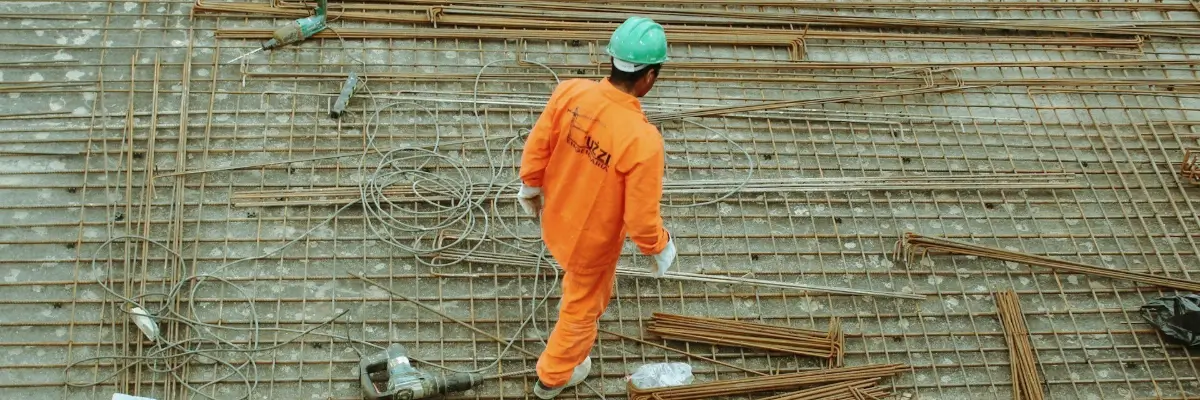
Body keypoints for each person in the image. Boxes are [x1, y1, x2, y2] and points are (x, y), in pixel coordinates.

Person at [515, 16, 677, 399]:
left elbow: (538, 145)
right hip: (591, 244)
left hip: (555, 217)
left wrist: (529, 186)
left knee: (577, 292)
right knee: (582, 309)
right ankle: (553, 377)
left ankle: (563, 364)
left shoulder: (570, 93)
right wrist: (659, 246)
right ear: (650, 76)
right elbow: (641, 218)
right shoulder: (643, 141)